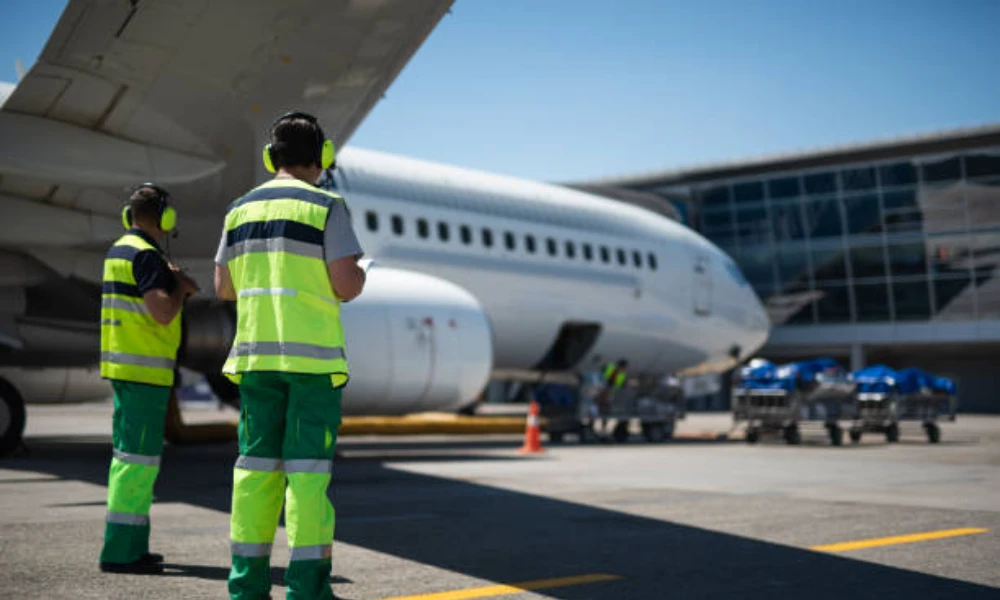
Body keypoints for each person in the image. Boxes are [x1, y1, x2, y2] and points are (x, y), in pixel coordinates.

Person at [215, 111, 365, 600]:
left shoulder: (239, 210)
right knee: (307, 480)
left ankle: (247, 587)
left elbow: (223, 287)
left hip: (257, 363)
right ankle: (307, 589)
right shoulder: (326, 206)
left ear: (270, 157)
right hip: (313, 367)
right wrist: (359, 276)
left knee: (254, 475)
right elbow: (345, 284)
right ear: (321, 157)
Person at [99, 184, 199, 574]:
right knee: (137, 464)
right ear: (165, 219)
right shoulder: (147, 257)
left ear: (130, 216)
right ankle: (121, 553)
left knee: (132, 461)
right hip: (145, 373)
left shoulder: (119, 251)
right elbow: (160, 312)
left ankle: (133, 546)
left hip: (126, 369)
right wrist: (182, 289)